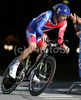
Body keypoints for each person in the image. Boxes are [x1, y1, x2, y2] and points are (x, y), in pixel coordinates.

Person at [9, 3, 70, 82]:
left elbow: (60, 38)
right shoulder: (48, 14)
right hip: (33, 28)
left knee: (44, 49)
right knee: (32, 47)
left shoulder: (64, 23)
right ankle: (15, 65)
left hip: (43, 32)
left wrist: (64, 46)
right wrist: (42, 34)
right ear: (57, 13)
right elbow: (38, 28)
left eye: (66, 16)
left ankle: (33, 73)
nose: (65, 18)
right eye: (63, 15)